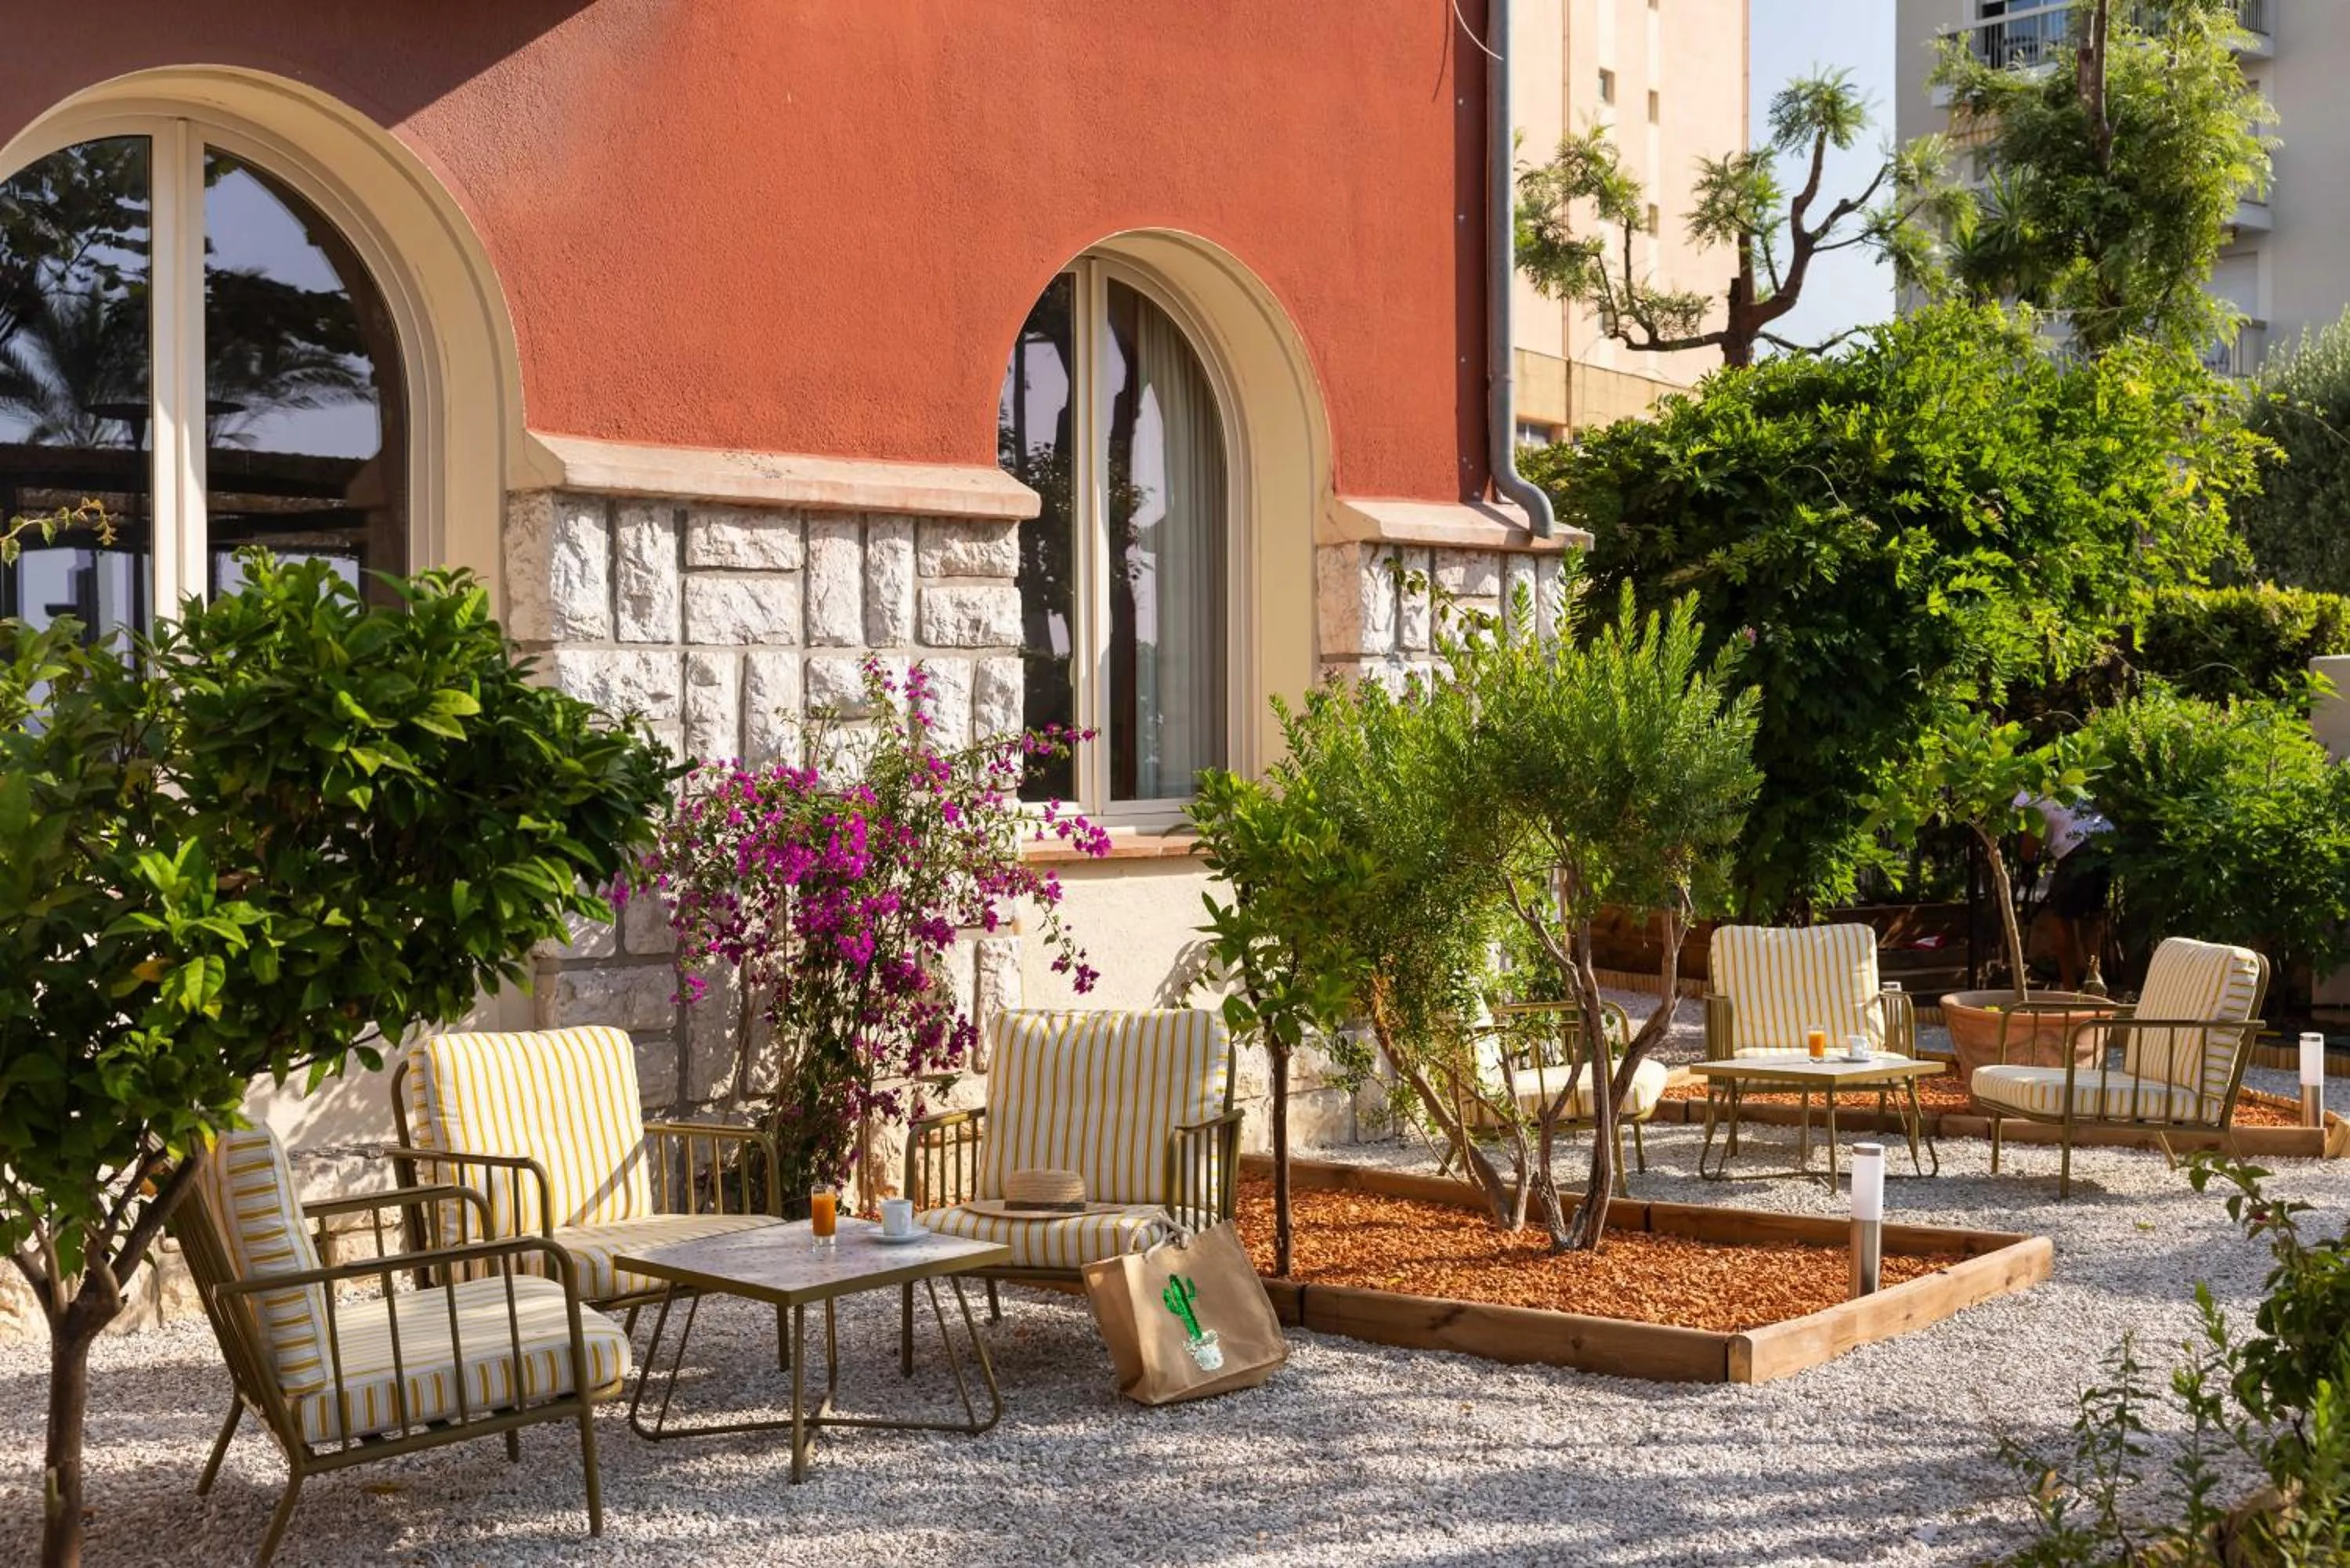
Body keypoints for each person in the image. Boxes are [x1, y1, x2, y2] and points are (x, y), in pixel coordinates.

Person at [2016, 793, 2111, 993]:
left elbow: (2029, 847)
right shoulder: (2061, 779)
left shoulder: (2025, 796)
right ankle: (2094, 973)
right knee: (2090, 916)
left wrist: (2026, 865)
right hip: (2105, 840)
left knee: (2058, 918)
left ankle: (2069, 988)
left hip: (2075, 848)